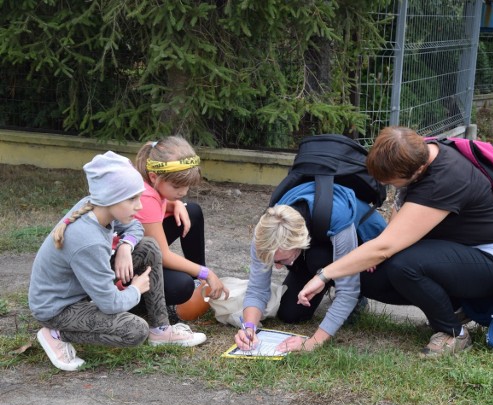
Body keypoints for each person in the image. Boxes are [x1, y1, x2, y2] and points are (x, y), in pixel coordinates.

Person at [297, 126, 493, 357]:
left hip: (488, 263)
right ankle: (453, 308)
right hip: (449, 255)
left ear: (417, 170)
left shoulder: (445, 178)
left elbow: (385, 247)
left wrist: (324, 275)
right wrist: (367, 256)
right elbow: (394, 229)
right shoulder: (417, 155)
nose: (394, 187)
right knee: (373, 268)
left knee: (404, 264)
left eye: (395, 182)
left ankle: (453, 331)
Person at [29, 151, 207, 372]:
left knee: (149, 246)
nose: (139, 206)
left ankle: (161, 329)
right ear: (110, 198)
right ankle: (55, 333)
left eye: (139, 197)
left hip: (83, 292)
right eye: (132, 199)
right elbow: (110, 304)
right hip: (59, 309)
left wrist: (125, 246)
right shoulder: (88, 241)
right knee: (134, 331)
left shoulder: (97, 207)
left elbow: (136, 227)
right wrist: (135, 289)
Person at [234, 182, 387, 352]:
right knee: (291, 314)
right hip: (314, 244)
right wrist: (249, 328)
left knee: (318, 259)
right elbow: (257, 289)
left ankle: (350, 294)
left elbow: (348, 290)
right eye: (273, 261)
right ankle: (319, 278)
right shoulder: (264, 234)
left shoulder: (337, 218)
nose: (277, 268)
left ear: (300, 244)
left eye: (282, 261)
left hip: (362, 244)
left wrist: (313, 342)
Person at [134, 136, 228, 320]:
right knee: (180, 286)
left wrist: (174, 204)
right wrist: (206, 272)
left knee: (190, 211)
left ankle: (199, 283)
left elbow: (155, 213)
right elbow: (163, 255)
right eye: (177, 186)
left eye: (187, 187)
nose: (183, 192)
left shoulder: (152, 184)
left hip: (139, 252)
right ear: (154, 177)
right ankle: (134, 303)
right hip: (122, 269)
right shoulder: (145, 198)